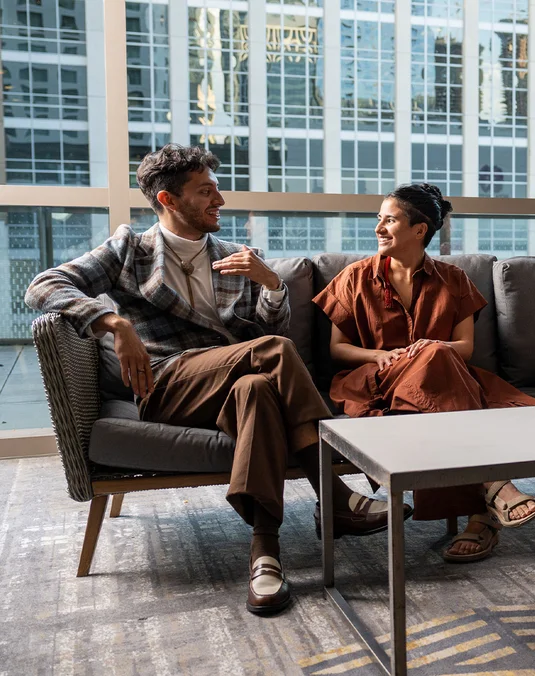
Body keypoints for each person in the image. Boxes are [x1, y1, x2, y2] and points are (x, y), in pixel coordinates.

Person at [24, 144, 389, 616]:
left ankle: (265, 554)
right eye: (206, 191)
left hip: (230, 383)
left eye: (217, 188)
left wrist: (272, 285)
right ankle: (335, 496)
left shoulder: (237, 257)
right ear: (168, 200)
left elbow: (267, 336)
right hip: (164, 384)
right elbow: (43, 286)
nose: (219, 199)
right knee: (275, 356)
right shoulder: (129, 250)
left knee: (257, 388)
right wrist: (113, 322)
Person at [312, 183, 535, 563]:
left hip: (439, 377)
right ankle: (487, 496)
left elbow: (464, 347)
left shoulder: (453, 279)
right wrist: (381, 355)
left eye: (389, 220)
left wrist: (428, 349)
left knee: (436, 355)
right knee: (437, 357)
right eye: (379, 219)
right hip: (377, 379)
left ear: (419, 230)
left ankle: (480, 504)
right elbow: (338, 349)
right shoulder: (354, 276)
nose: (379, 228)